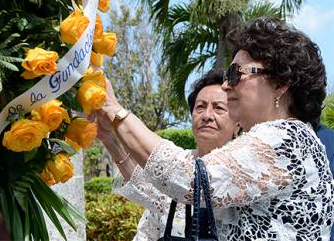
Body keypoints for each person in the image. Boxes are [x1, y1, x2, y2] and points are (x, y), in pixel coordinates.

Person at [91, 17, 334, 240]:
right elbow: (164, 194)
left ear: (280, 83)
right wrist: (110, 136)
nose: (227, 85)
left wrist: (115, 110)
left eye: (236, 73)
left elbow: (188, 179)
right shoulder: (281, 141)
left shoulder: (285, 139)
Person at [96, 71, 239, 240]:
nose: (207, 116)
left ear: (238, 124)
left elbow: (178, 174)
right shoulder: (174, 170)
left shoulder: (245, 168)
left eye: (219, 108)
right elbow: (149, 193)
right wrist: (108, 138)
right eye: (200, 107)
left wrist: (113, 109)